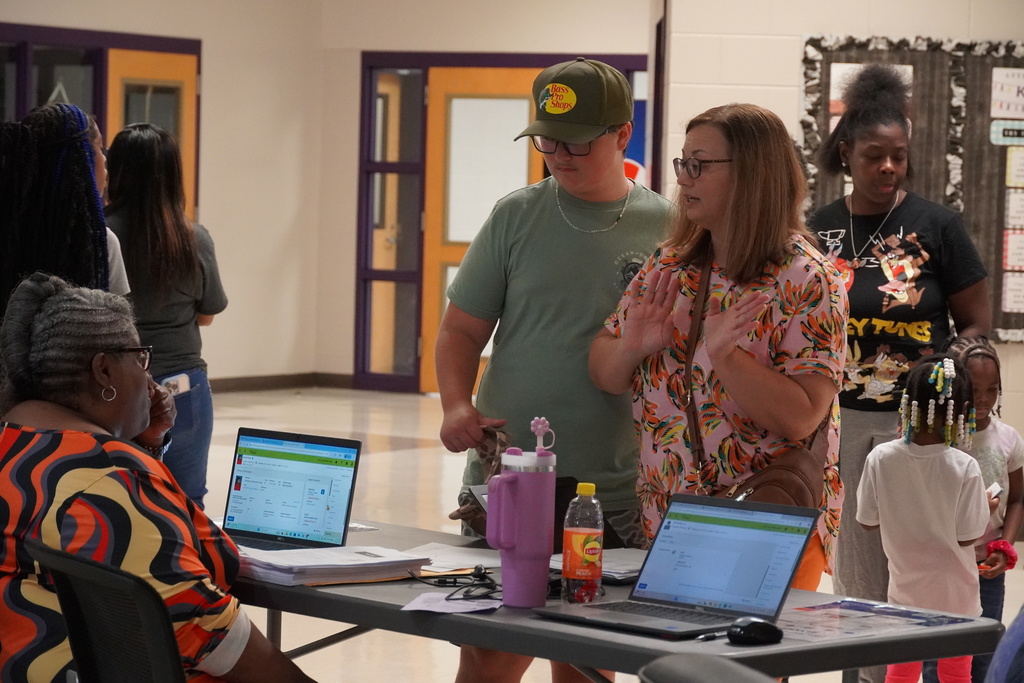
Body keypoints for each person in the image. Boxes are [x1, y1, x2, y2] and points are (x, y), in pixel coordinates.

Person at [435, 57, 674, 683]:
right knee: (490, 653)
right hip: (507, 475)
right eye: (546, 140)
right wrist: (456, 405)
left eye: (575, 142)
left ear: (623, 135)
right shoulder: (516, 215)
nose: (558, 155)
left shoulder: (668, 228)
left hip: (609, 487)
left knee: (587, 654)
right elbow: (461, 330)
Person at [0, 273, 314, 683]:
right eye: (140, 357)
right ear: (105, 371)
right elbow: (211, 635)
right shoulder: (111, 480)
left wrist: (145, 444)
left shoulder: (18, 446)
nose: (150, 376)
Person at [589, 103, 848, 589]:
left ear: (752, 174)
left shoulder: (808, 278)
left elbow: (802, 415)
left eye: (700, 164)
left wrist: (726, 357)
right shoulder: (670, 265)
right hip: (670, 516)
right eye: (682, 163)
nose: (684, 179)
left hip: (767, 518)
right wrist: (630, 348)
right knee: (672, 661)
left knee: (737, 665)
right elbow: (603, 370)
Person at [807, 62, 991, 683]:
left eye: (899, 157)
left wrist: (953, 382)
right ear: (846, 154)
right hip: (841, 424)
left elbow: (974, 327)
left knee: (932, 569)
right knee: (861, 579)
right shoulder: (817, 229)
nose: (888, 167)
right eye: (874, 156)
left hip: (924, 427)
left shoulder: (938, 225)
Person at [105, 122, 228, 509]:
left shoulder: (102, 234)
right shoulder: (193, 237)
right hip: (183, 385)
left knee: (119, 500)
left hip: (116, 385)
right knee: (186, 501)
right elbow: (207, 315)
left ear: (117, 170)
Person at [858, 354, 989, 683]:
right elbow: (967, 537)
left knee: (899, 674)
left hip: (904, 596)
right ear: (960, 411)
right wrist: (986, 504)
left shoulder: (880, 458)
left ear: (908, 404)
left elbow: (867, 521)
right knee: (956, 674)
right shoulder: (964, 467)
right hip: (957, 598)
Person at [922, 337, 1023, 683]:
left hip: (987, 566)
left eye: (993, 389)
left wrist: (1004, 547)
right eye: (975, 388)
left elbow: (1018, 499)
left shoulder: (1008, 439)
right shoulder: (940, 439)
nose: (983, 398)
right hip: (944, 565)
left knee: (983, 651)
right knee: (939, 655)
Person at [0, 103, 129, 314]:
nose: (105, 159)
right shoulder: (99, 241)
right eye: (100, 148)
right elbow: (118, 327)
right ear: (82, 160)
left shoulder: (8, 231)